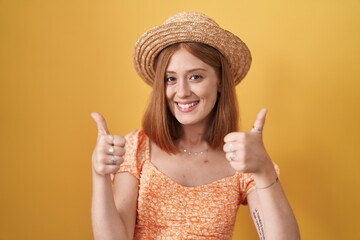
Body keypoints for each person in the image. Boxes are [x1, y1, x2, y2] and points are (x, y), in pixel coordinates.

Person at [91, 12, 300, 240]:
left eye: (195, 77)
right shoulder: (137, 147)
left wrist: (264, 170)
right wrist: (100, 175)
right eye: (170, 79)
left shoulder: (241, 157)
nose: (181, 92)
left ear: (220, 81)